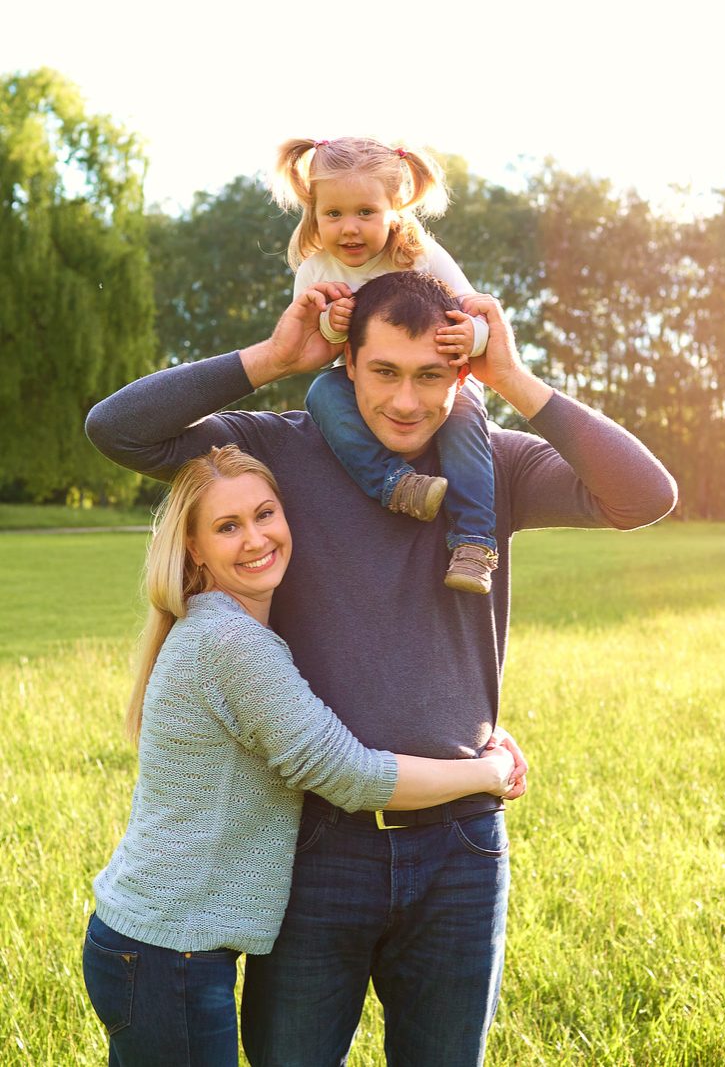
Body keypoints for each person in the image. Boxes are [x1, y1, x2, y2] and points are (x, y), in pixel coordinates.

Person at [85, 269, 677, 1066]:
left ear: (460, 370)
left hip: (461, 852)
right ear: (347, 364)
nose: (406, 401)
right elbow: (118, 429)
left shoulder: (491, 468)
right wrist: (269, 356)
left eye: (431, 374)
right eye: (384, 372)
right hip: (318, 845)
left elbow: (643, 495)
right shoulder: (278, 450)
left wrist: (514, 377)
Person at [81, 442, 521, 1067]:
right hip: (164, 953)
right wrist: (487, 770)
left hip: (156, 946)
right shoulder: (229, 642)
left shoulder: (239, 630)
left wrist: (464, 728)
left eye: (265, 514)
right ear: (193, 549)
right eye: (227, 526)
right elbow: (350, 774)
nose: (255, 538)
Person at [273, 136, 499, 594]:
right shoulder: (315, 272)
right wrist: (332, 325)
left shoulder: (422, 256)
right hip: (363, 379)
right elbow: (315, 341)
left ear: (394, 210)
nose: (349, 228)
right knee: (322, 394)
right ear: (314, 214)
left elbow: (478, 316)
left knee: (465, 415)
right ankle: (396, 485)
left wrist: (469, 336)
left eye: (365, 213)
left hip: (439, 377)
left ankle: (474, 540)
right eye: (333, 214)